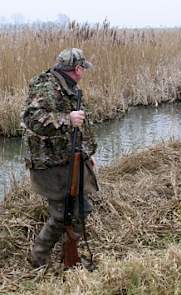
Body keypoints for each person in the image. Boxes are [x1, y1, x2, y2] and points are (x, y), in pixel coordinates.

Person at [22, 48, 99, 268]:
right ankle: (38, 259)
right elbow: (32, 119)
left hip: (67, 159)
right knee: (60, 214)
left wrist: (86, 155)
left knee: (81, 209)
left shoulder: (69, 88)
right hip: (48, 164)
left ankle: (70, 255)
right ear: (77, 69)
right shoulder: (46, 86)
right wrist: (67, 119)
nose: (84, 72)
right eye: (83, 68)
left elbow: (81, 127)